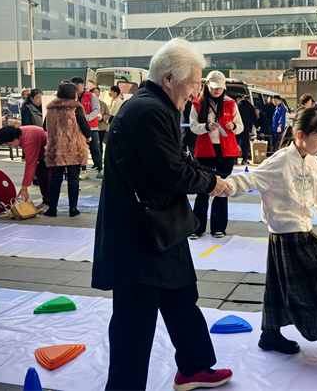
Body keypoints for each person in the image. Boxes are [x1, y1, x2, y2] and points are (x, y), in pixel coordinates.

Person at [91, 38, 233, 391]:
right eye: (194, 83)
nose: (197, 93)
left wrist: (208, 174)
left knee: (182, 295)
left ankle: (194, 367)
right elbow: (172, 172)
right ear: (169, 78)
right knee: (135, 318)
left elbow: (178, 159)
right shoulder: (148, 111)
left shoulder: (159, 105)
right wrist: (211, 182)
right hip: (139, 233)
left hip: (162, 225)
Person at [224, 107, 317, 354]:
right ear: (301, 135)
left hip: (301, 230)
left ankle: (270, 334)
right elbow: (249, 179)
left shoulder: (313, 162)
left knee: (280, 286)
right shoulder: (280, 161)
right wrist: (222, 185)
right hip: (287, 233)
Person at [189, 70, 243, 238]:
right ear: (207, 85)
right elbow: (193, 126)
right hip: (205, 151)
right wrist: (206, 127)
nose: (217, 90)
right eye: (214, 87)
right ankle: (197, 228)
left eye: (220, 87)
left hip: (226, 151)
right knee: (202, 189)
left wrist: (233, 126)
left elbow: (240, 127)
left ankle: (218, 227)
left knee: (223, 189)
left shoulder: (230, 103)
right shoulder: (197, 103)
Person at [43, 81, 91, 217]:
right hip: (73, 148)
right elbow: (84, 126)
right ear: (72, 94)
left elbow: (45, 127)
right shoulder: (76, 108)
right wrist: (88, 136)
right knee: (73, 180)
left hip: (56, 148)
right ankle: (73, 209)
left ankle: (52, 209)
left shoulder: (51, 108)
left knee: (55, 179)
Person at [0, 125, 51, 213]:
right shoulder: (21, 133)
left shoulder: (29, 140)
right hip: (45, 154)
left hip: (52, 153)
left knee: (46, 176)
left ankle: (50, 204)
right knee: (39, 173)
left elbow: (30, 164)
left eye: (10, 144)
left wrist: (24, 188)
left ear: (15, 138)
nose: (12, 146)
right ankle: (45, 201)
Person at [72, 76, 103, 179]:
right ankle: (84, 171)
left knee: (96, 149)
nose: (76, 88)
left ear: (83, 85)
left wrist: (85, 118)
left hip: (92, 127)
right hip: (78, 128)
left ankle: (100, 170)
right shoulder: (73, 97)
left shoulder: (91, 96)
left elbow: (96, 110)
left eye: (78, 86)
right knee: (81, 150)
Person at [237, 94, 256, 165]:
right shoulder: (250, 106)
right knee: (245, 144)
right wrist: (257, 126)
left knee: (235, 143)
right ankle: (244, 159)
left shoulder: (237, 105)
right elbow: (253, 117)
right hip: (245, 127)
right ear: (249, 100)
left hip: (237, 127)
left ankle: (234, 159)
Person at [92, 87, 110, 154]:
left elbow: (108, 114)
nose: (96, 94)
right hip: (91, 127)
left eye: (98, 92)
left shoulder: (103, 104)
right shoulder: (88, 103)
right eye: (95, 92)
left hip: (101, 127)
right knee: (92, 145)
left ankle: (99, 158)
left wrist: (102, 118)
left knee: (99, 144)